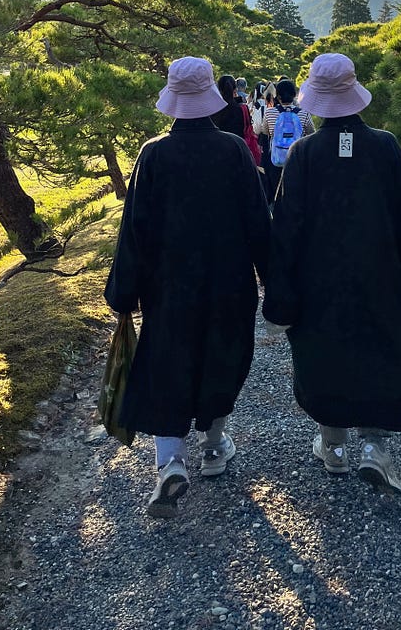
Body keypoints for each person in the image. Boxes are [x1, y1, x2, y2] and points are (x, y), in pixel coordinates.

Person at [262, 53, 401, 494]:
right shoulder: (385, 145)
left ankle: (333, 448)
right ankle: (375, 448)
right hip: (378, 275)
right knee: (379, 352)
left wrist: (280, 293)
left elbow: (287, 227)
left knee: (324, 355)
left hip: (319, 281)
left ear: (315, 100)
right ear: (355, 95)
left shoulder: (303, 153)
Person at [104, 57, 270, 518]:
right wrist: (274, 281)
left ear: (173, 101)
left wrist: (124, 292)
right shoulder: (235, 151)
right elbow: (259, 224)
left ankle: (170, 463)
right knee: (223, 356)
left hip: (169, 285)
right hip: (229, 281)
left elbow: (134, 228)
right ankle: (215, 448)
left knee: (167, 362)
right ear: (211, 101)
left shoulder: (153, 153)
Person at [259, 78, 314, 203]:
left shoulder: (269, 113)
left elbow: (265, 131)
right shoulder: (304, 113)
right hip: (297, 158)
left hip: (276, 159)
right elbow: (311, 133)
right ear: (295, 95)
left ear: (277, 96)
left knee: (276, 196)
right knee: (296, 195)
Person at [211, 74, 246, 138]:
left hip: (217, 143)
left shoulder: (213, 108)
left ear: (219, 89)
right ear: (235, 89)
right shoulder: (241, 108)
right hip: (237, 144)